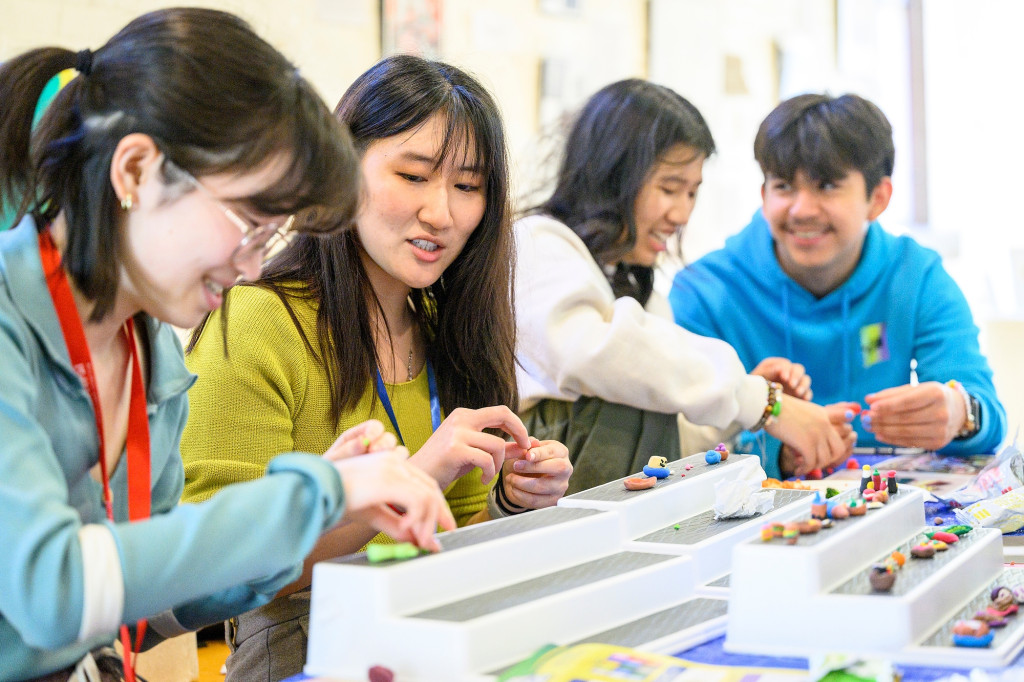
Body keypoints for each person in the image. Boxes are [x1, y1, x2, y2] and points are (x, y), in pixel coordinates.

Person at [0, 10, 456, 681]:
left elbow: (142, 613)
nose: (251, 265)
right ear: (135, 169)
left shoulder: (151, 353)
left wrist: (306, 518)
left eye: (270, 236)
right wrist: (311, 494)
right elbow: (55, 591)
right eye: (248, 222)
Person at [180, 54, 573, 680]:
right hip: (304, 654)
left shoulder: (452, 329)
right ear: (343, 169)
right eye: (413, 175)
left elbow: (456, 533)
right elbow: (217, 573)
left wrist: (512, 498)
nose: (441, 213)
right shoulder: (256, 321)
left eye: (467, 187)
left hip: (444, 636)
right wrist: (407, 482)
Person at [514, 79, 853, 491]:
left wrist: (744, 408)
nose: (682, 213)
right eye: (670, 188)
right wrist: (759, 402)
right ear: (611, 176)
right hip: (538, 491)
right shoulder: (539, 242)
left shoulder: (643, 291)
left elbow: (670, 441)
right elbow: (600, 355)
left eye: (692, 193)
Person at [669, 93, 1006, 461]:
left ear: (877, 198)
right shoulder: (702, 292)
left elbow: (984, 409)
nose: (802, 210)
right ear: (764, 195)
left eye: (826, 186)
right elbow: (679, 447)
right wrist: (776, 450)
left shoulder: (916, 277)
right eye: (784, 185)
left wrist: (960, 413)